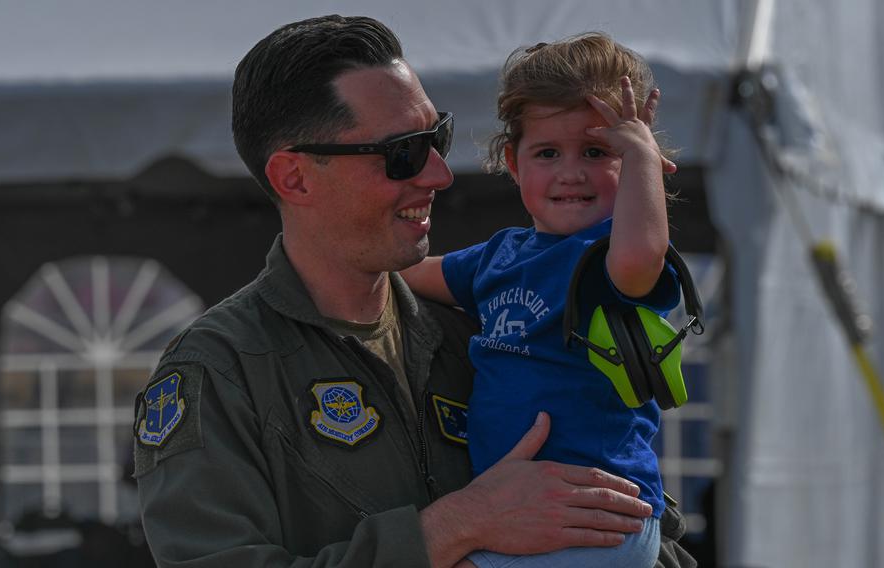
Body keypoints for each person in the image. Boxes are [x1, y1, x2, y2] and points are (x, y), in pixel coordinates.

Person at [132, 15, 696, 568]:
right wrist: (453, 527)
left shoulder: (481, 332)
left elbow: (636, 526)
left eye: (437, 138)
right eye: (402, 152)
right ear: (295, 178)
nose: (439, 174)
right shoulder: (223, 372)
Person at [400, 33, 680, 567]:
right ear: (513, 160)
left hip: (597, 517)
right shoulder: (500, 256)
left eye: (598, 152)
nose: (570, 171)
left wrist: (642, 156)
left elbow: (643, 256)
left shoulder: (608, 255)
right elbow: (406, 274)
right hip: (519, 514)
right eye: (547, 152)